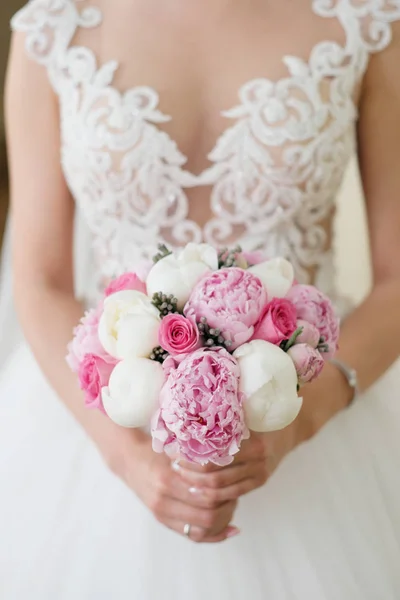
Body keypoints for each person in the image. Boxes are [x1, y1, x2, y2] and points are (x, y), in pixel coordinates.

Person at [1, 0, 400, 598]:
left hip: (314, 424)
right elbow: (40, 279)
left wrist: (299, 422)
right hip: (96, 431)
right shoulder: (52, 33)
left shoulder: (364, 25)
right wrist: (130, 459)